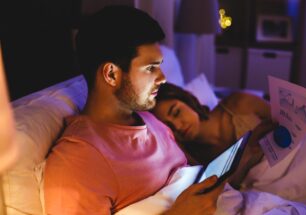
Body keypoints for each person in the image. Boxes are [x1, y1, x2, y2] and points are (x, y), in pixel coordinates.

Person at [44, 5, 226, 215]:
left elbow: (196, 172)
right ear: (111, 74)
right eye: (150, 68)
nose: (162, 78)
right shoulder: (78, 162)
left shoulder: (151, 121)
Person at [152, 82, 306, 187]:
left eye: (176, 112)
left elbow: (302, 118)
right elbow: (229, 187)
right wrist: (249, 150)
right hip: (286, 178)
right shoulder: (192, 157)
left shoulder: (238, 104)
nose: (177, 125)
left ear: (189, 101)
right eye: (168, 126)